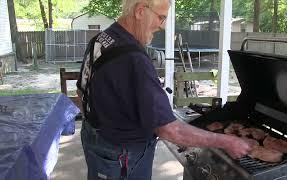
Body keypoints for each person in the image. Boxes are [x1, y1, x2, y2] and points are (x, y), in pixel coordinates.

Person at [76, 0, 251, 179]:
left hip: (95, 140)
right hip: (122, 155)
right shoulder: (134, 59)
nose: (162, 26)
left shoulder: (101, 39)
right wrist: (226, 141)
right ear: (140, 11)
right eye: (161, 17)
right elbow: (169, 130)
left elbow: (81, 91)